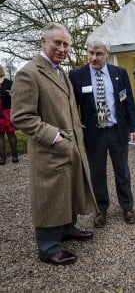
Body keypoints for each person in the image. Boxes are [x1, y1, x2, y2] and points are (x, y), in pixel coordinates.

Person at [11, 22, 98, 266]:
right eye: (56, 43)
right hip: (50, 149)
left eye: (66, 44)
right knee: (50, 196)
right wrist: (55, 137)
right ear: (43, 42)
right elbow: (21, 116)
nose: (61, 48)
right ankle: (48, 247)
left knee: (67, 191)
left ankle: (67, 229)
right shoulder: (29, 72)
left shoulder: (60, 71)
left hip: (70, 145)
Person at [69, 33, 135, 228]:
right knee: (97, 174)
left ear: (107, 53)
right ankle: (101, 209)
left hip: (117, 131)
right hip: (93, 134)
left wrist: (134, 127)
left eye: (98, 54)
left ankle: (127, 206)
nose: (93, 58)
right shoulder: (77, 75)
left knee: (122, 172)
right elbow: (71, 106)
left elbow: (128, 102)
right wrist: (75, 128)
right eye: (90, 53)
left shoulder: (120, 73)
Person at [0, 65, 18, 165]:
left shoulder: (9, 82)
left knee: (11, 134)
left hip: (7, 112)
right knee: (0, 136)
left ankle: (14, 155)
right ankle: (2, 158)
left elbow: (17, 95)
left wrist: (12, 94)